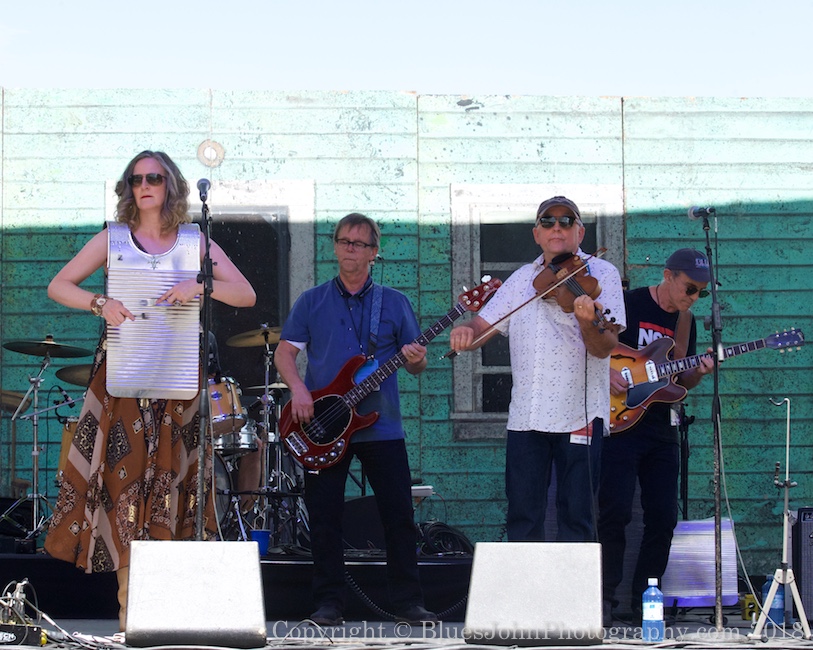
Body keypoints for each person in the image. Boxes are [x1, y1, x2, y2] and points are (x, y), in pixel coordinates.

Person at [43, 150, 256, 630]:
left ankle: (167, 613)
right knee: (124, 492)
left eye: (154, 178)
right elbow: (60, 285)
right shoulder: (114, 238)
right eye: (136, 179)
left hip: (177, 385)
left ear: (170, 185)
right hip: (123, 380)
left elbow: (244, 293)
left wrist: (199, 285)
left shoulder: (193, 240)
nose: (144, 185)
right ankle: (129, 616)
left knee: (172, 491)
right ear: (128, 187)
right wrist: (101, 303)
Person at [274, 212, 436, 626]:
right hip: (324, 426)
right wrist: (299, 390)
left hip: (380, 426)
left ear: (374, 253)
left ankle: (408, 603)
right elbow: (286, 353)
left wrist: (416, 361)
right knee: (325, 515)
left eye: (359, 243)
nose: (350, 249)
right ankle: (328, 604)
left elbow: (416, 366)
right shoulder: (311, 301)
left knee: (398, 514)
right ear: (335, 246)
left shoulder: (395, 302)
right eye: (344, 241)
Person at [449, 196, 626, 542]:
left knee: (577, 518)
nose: (556, 227)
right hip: (527, 417)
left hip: (580, 414)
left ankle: (573, 597)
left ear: (579, 231)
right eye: (548, 221)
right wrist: (464, 332)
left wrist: (589, 322)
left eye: (565, 220)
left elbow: (605, 346)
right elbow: (481, 326)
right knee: (523, 517)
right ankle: (524, 596)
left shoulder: (602, 273)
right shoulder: (521, 280)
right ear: (536, 234)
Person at [598, 248, 714, 625]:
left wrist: (701, 369)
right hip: (621, 423)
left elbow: (683, 381)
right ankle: (603, 602)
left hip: (662, 427)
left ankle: (643, 601)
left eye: (701, 292)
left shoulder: (685, 322)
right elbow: (598, 347)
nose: (693, 297)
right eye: (689, 287)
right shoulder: (628, 303)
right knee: (613, 513)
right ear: (668, 275)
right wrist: (606, 373)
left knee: (663, 517)